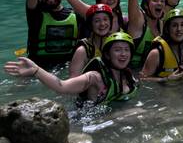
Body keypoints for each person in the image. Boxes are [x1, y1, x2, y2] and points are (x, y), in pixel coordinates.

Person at [5, 32, 138, 105]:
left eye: (126, 50)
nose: (123, 54)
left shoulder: (128, 76)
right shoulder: (94, 77)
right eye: (118, 50)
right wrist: (36, 70)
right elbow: (62, 86)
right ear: (108, 55)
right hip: (90, 122)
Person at [141, 9, 183, 82]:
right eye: (174, 25)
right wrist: (166, 79)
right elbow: (143, 79)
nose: (179, 29)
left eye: (182, 25)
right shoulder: (156, 54)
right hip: (166, 89)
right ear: (167, 29)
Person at [69, 4, 114, 78]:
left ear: (110, 22)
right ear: (90, 25)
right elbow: (73, 81)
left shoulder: (116, 44)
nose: (102, 24)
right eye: (97, 21)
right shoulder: (82, 51)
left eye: (105, 19)